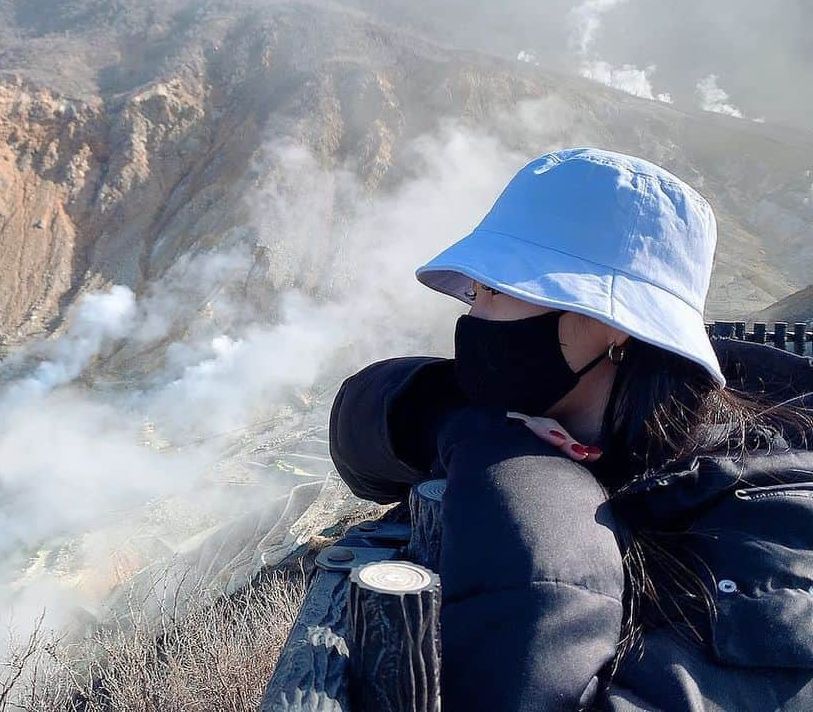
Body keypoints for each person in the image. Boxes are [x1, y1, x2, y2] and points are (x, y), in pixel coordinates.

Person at [328, 148, 813, 711]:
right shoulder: (548, 411)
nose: (472, 316)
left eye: (499, 289)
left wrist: (524, 478)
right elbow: (358, 428)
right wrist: (462, 424)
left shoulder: (775, 535)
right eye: (477, 290)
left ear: (611, 324)